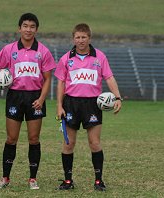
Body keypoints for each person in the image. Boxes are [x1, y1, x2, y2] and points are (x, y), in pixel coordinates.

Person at [0, 13, 56, 190]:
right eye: (25, 26)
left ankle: (32, 179)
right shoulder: (9, 49)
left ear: (36, 29)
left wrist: (42, 99)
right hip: (15, 97)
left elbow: (48, 78)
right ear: (19, 28)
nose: (28, 29)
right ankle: (5, 178)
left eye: (32, 26)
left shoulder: (43, 51)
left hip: (35, 97)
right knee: (11, 139)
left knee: (34, 139)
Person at [54, 23, 122, 191]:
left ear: (89, 38)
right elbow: (61, 83)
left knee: (94, 143)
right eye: (77, 37)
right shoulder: (66, 58)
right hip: (71, 103)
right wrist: (59, 105)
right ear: (73, 39)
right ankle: (68, 181)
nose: (81, 40)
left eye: (84, 37)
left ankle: (99, 180)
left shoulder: (100, 57)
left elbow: (109, 78)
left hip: (93, 104)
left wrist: (118, 97)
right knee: (69, 144)